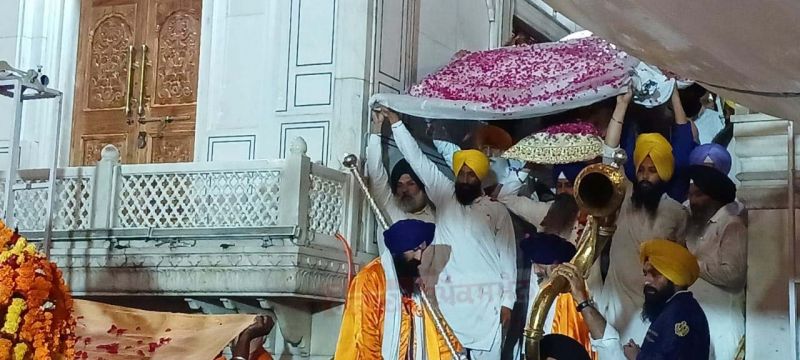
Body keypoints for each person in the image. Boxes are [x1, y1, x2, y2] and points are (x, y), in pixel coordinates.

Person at [379, 108, 517, 360]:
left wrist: (508, 301)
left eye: (470, 174)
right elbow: (416, 159)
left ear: (480, 178)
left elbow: (508, 258)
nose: (464, 179)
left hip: (488, 307)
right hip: (449, 305)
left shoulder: (497, 211)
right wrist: (396, 122)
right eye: (461, 173)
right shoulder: (443, 194)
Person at [597, 95, 690, 344]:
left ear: (665, 172)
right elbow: (608, 155)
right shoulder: (625, 194)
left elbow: (676, 266)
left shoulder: (677, 212)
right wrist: (622, 104)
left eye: (653, 170)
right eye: (641, 169)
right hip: (614, 304)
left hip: (648, 310)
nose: (646, 176)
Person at [557, 239, 710, 360]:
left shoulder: (682, 315)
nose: (647, 280)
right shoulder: (672, 307)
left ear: (676, 279)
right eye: (646, 274)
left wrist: (639, 356)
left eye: (655, 274)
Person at [334, 219, 463, 359]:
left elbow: (435, 327)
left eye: (421, 249)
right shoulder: (370, 279)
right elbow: (366, 337)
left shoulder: (413, 286)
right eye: (415, 250)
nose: (419, 257)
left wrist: (456, 353)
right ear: (400, 250)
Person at [686, 164, 747, 360]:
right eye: (691, 195)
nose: (692, 201)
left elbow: (734, 275)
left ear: (715, 198)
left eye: (699, 195)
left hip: (723, 326)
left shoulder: (732, 224)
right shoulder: (698, 226)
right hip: (699, 322)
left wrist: (690, 264)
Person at [519, 233, 596, 359]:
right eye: (533, 263)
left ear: (557, 265)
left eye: (540, 264)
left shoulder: (570, 299)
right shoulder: (541, 286)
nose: (535, 270)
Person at [367, 111, 435, 225]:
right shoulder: (390, 208)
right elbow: (376, 173)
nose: (404, 190)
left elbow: (417, 158)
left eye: (411, 183)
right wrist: (377, 127)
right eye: (399, 185)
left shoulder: (438, 217)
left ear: (421, 187)